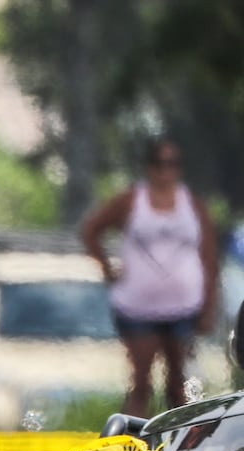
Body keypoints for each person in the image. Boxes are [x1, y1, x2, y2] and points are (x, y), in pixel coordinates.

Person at [80, 137, 220, 417]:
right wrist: (107, 267)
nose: (165, 170)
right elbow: (91, 229)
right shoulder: (132, 200)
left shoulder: (191, 204)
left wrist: (208, 306)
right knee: (141, 383)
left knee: (177, 384)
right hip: (137, 306)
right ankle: (133, 450)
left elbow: (209, 256)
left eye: (172, 164)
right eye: (159, 164)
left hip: (183, 305)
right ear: (149, 167)